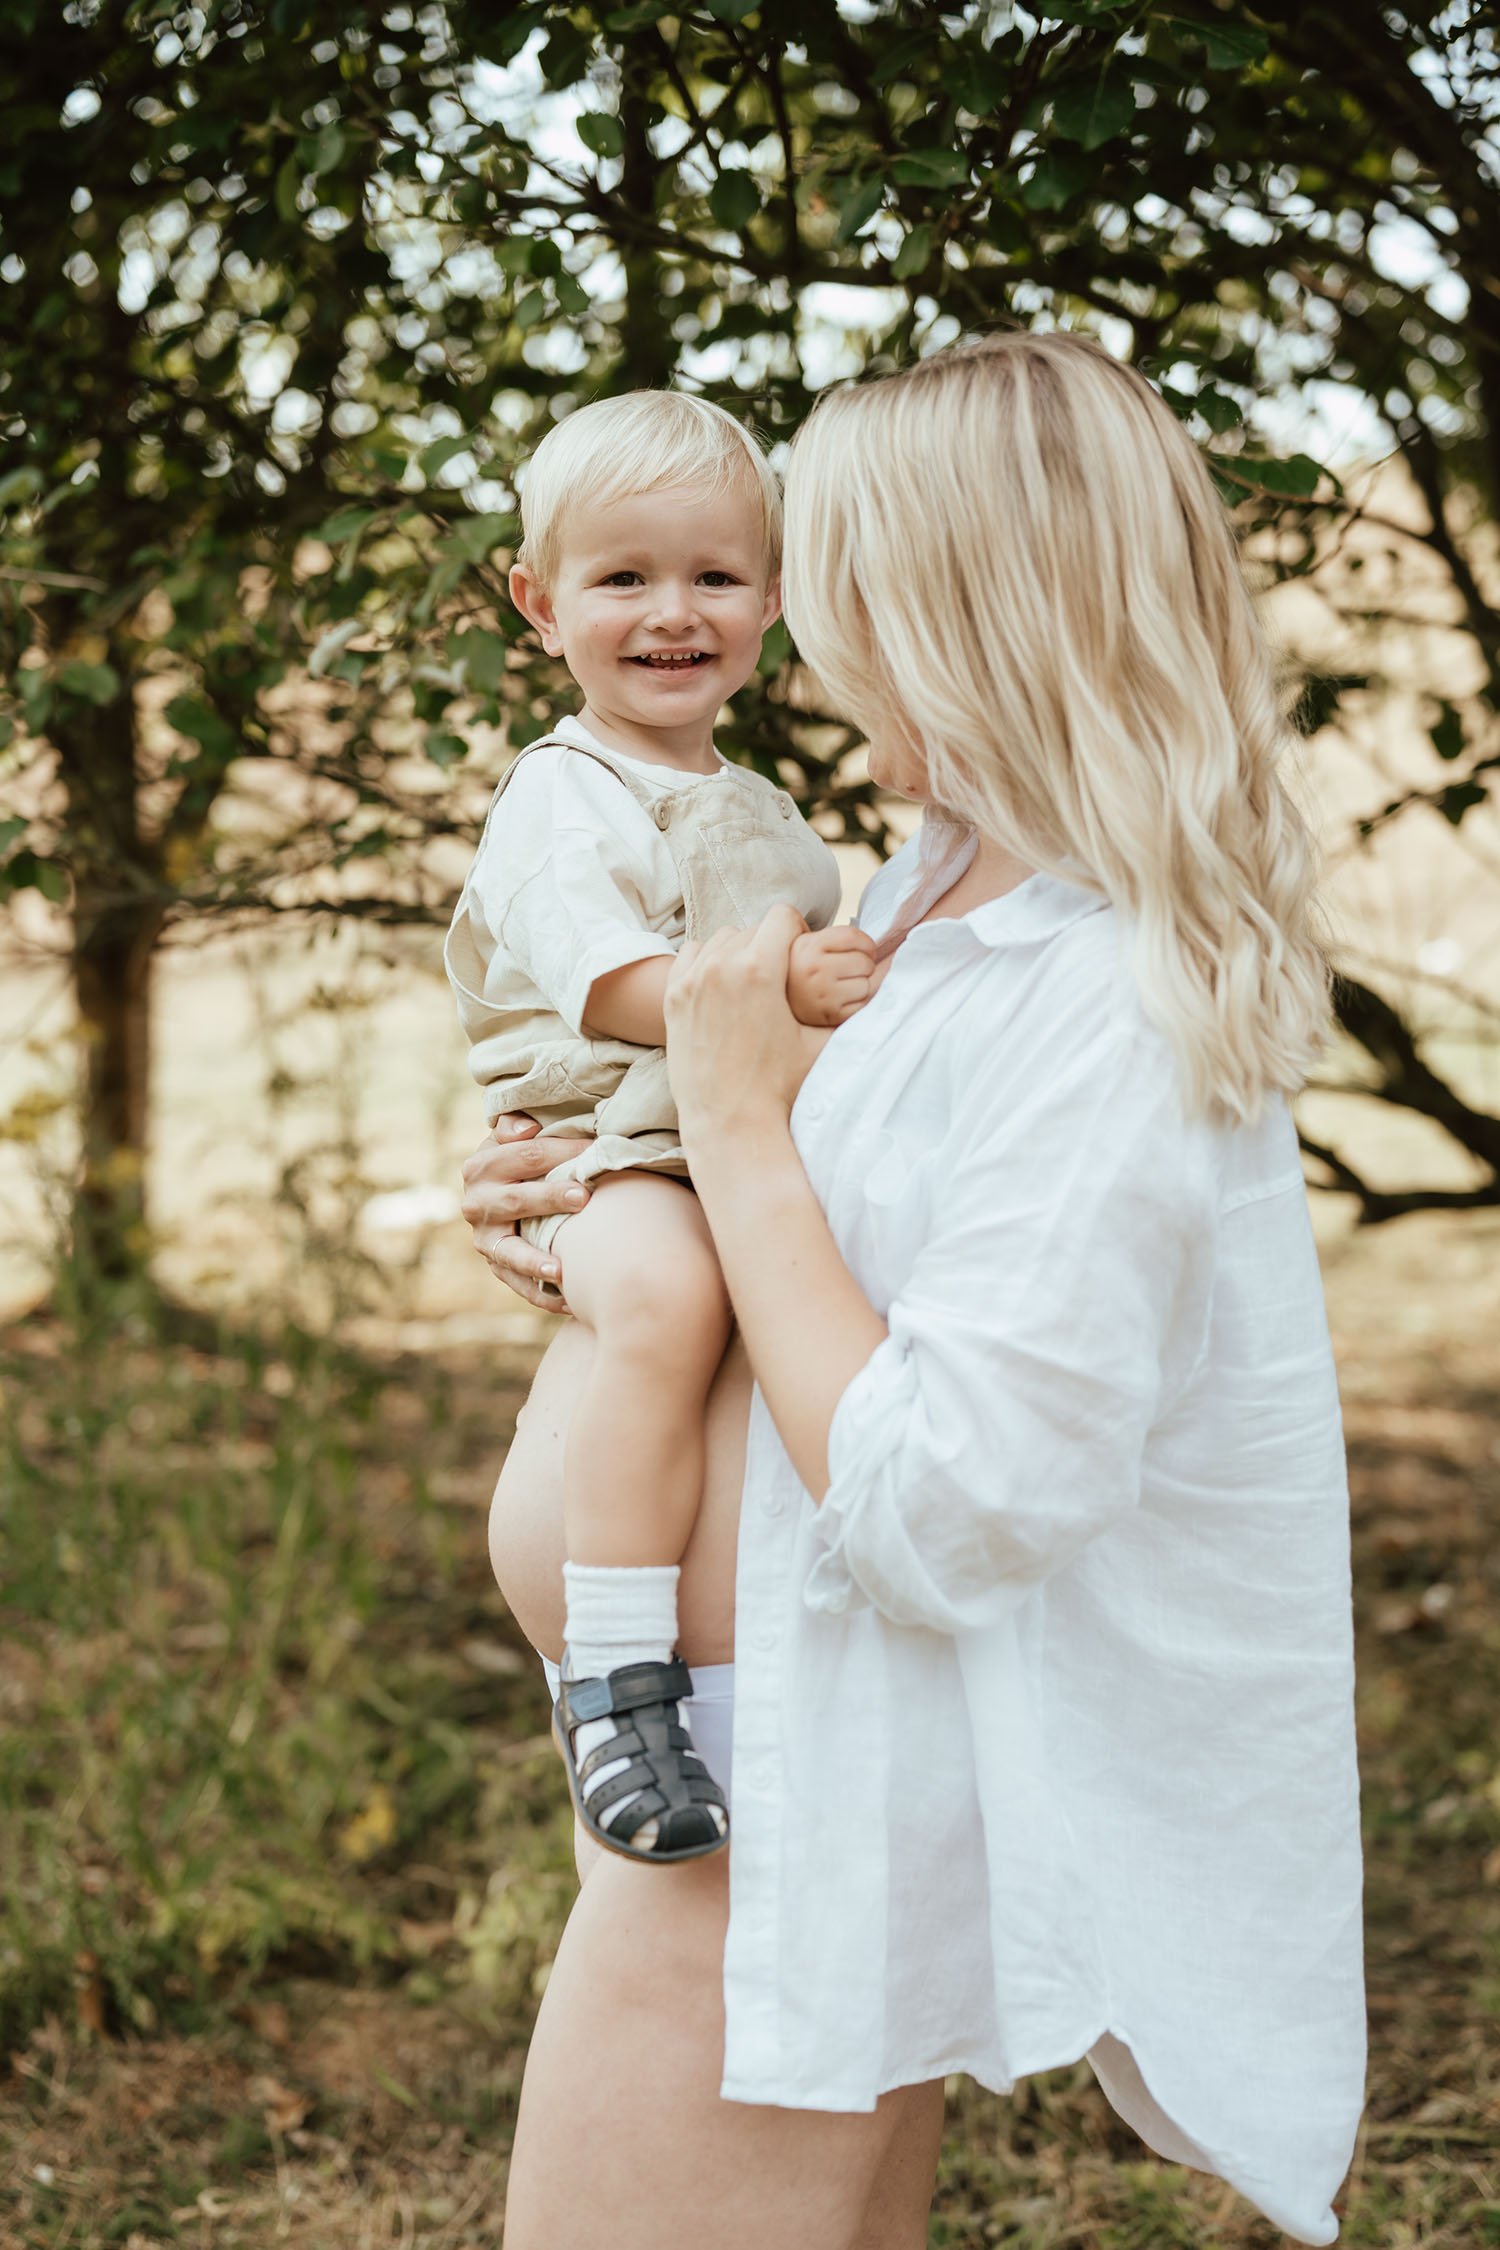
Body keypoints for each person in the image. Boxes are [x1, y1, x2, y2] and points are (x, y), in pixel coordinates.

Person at [461, 332, 1366, 2250]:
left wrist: (734, 1123)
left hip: (775, 1813)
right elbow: (806, 1257)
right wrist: (588, 1201)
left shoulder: (1098, 987)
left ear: (942, 604)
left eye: (818, 571)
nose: (791, 625)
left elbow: (956, 1501)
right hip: (725, 1777)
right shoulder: (914, 898)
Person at [444, 390, 873, 1862]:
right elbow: (612, 981)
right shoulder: (562, 796)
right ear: (540, 601)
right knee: (670, 1294)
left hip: (702, 1139)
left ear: (771, 598)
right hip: (609, 1143)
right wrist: (786, 985)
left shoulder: (754, 800)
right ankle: (621, 1677)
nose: (672, 612)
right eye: (624, 577)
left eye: (714, 575)